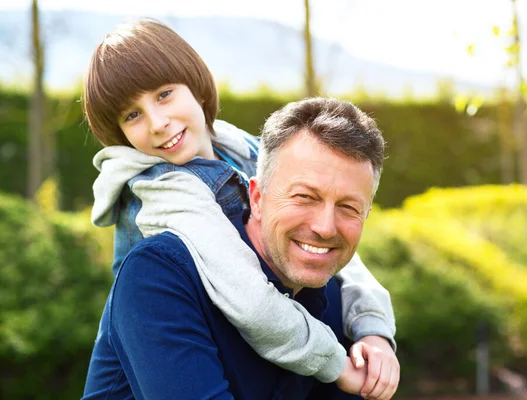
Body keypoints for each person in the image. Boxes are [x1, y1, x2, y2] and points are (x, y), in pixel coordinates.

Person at [82, 19, 399, 399]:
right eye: (132, 115)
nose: (158, 123)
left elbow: (341, 255)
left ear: (196, 86)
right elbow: (249, 300)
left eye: (164, 94)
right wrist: (336, 363)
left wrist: (373, 329)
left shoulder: (246, 150)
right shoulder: (164, 194)